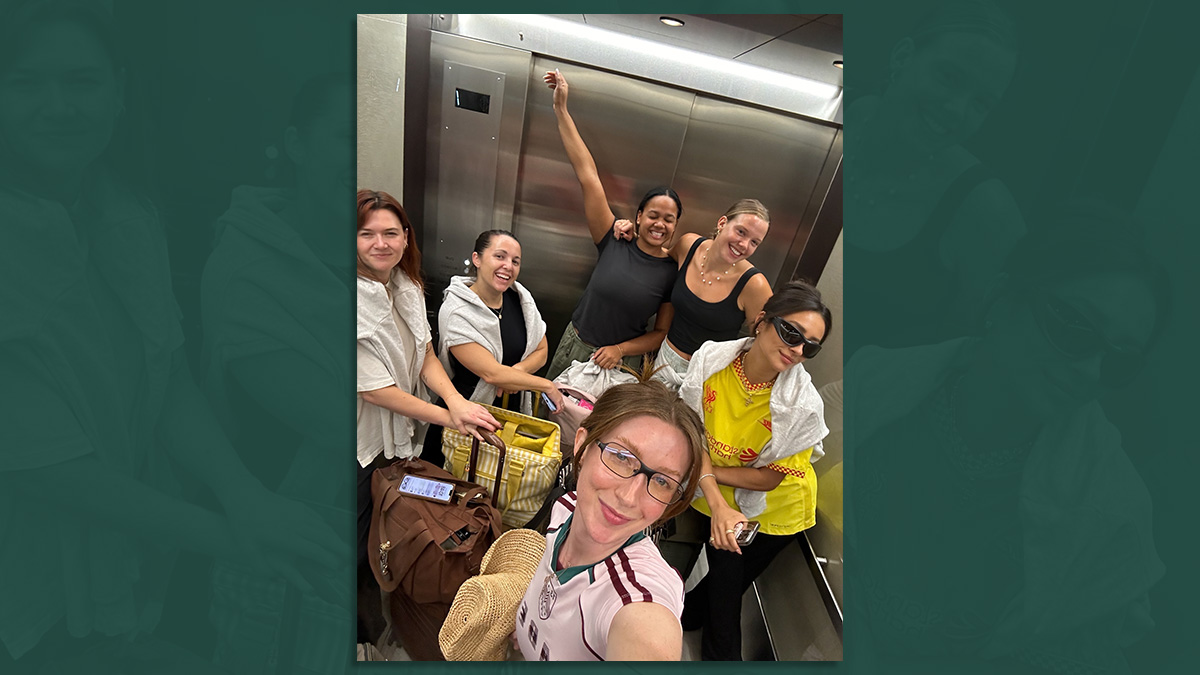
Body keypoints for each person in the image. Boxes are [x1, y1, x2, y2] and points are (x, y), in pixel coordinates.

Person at [0, 2, 341, 671]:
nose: (58, 106)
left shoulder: (123, 213)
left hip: (134, 545)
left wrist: (243, 495)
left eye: (82, 82)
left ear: (118, 92)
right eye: (27, 84)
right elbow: (47, 467)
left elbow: (168, 376)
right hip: (29, 559)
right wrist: (236, 532)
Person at [847, 203, 1168, 670]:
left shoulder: (1110, 515)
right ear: (1002, 297)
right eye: (1073, 328)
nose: (1089, 369)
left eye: (1118, 360)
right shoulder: (874, 386)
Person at [844, 0, 1025, 357]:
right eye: (950, 78)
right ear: (902, 56)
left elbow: (956, 363)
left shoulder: (986, 214)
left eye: (981, 103)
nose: (957, 109)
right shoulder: (826, 111)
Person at [678, 281, 833, 661]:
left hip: (777, 509)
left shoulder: (803, 406)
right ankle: (688, 616)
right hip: (718, 494)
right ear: (762, 321)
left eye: (809, 346)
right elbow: (689, 427)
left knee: (727, 592)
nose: (797, 349)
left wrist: (707, 476)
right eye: (790, 332)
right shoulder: (711, 362)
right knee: (725, 580)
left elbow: (770, 478)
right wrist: (712, 489)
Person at [355, 189, 498, 569]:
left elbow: (426, 354)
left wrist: (456, 401)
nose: (380, 244)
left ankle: (389, 586)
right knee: (357, 530)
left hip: (403, 429)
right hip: (361, 439)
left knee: (392, 518)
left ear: (406, 236)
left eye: (391, 233)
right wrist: (449, 417)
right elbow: (375, 391)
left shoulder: (406, 285)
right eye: (366, 234)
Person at [515, 378, 706, 661]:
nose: (629, 497)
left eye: (662, 481)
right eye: (621, 457)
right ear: (581, 446)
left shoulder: (636, 594)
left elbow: (646, 638)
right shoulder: (566, 509)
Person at [542, 69, 678, 380]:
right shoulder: (613, 238)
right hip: (575, 348)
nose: (660, 224)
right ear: (639, 216)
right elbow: (587, 175)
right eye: (654, 215)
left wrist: (620, 349)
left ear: (675, 226)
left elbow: (660, 333)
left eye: (669, 219)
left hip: (620, 364)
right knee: (547, 423)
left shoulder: (672, 271)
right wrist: (560, 109)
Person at [421, 229, 564, 465]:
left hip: (511, 417)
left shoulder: (520, 300)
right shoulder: (457, 311)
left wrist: (514, 376)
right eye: (500, 256)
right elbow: (491, 373)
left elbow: (542, 351)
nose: (508, 266)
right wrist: (545, 385)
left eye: (515, 261)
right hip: (466, 416)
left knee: (499, 487)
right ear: (477, 259)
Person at [614, 199, 773, 389]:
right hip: (663, 365)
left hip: (706, 379)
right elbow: (659, 257)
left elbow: (767, 343)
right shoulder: (689, 245)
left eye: (754, 242)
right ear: (722, 223)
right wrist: (633, 236)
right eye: (741, 232)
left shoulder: (754, 284)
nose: (744, 245)